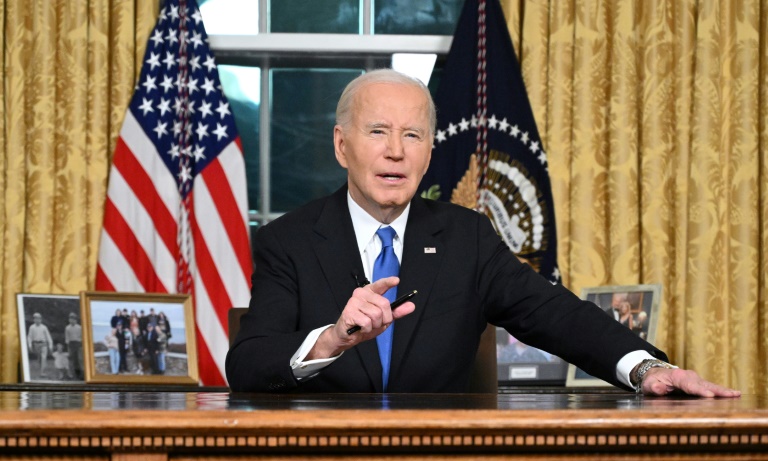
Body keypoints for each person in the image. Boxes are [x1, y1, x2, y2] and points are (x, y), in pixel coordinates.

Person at [226, 69, 739, 398]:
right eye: (378, 132)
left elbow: (554, 314)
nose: (396, 151)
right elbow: (248, 365)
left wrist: (646, 368)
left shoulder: (466, 237)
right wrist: (334, 339)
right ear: (342, 146)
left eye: (413, 136)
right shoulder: (288, 240)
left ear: (429, 152)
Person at [27, 312, 54, 378]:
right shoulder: (32, 327)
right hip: (36, 344)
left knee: (44, 357)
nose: (37, 320)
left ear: (41, 319)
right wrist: (30, 345)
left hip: (43, 344)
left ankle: (43, 372)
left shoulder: (44, 327)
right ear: (34, 319)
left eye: (38, 318)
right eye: (36, 319)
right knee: (39, 359)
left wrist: (50, 345)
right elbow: (29, 337)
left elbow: (48, 337)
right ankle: (41, 369)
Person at [64, 312, 83, 380]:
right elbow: (67, 337)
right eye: (70, 319)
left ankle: (81, 374)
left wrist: (80, 344)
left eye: (73, 319)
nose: (71, 320)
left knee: (79, 359)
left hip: (78, 343)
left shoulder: (79, 327)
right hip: (71, 344)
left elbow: (82, 337)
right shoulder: (67, 328)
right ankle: (73, 373)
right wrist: (68, 345)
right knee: (72, 359)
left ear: (76, 320)